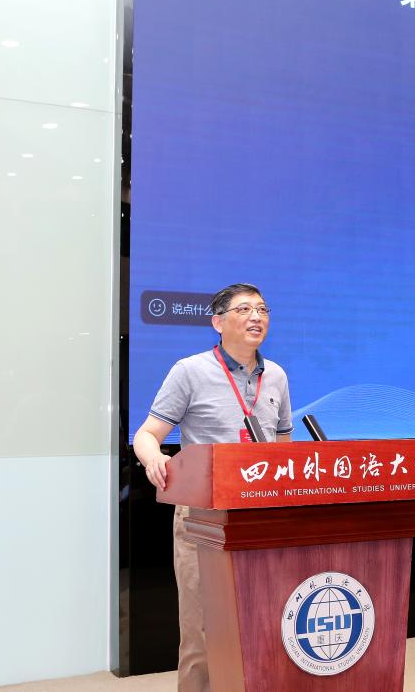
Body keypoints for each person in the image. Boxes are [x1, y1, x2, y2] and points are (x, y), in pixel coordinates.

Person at [133, 283, 292, 692]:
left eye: (262, 309)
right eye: (245, 309)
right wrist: (155, 459)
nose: (257, 317)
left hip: (261, 516)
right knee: (202, 631)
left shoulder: (276, 376)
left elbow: (284, 448)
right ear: (218, 322)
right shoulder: (190, 370)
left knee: (265, 623)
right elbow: (147, 434)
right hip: (202, 518)